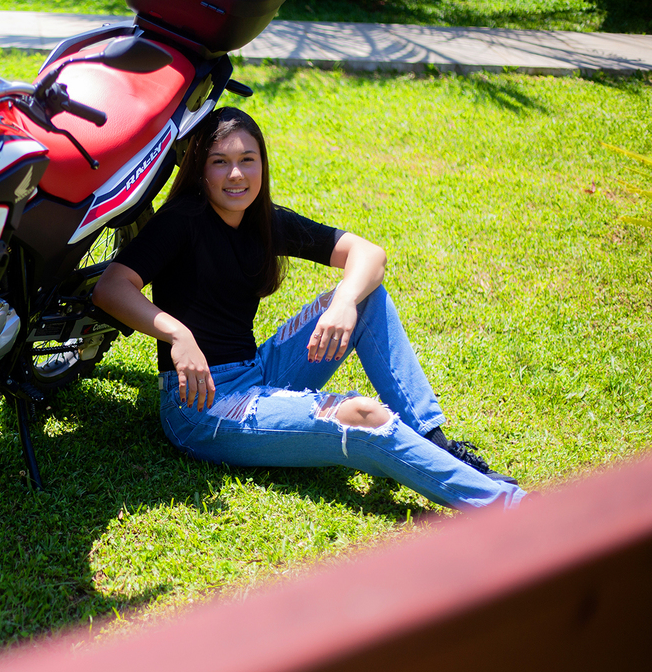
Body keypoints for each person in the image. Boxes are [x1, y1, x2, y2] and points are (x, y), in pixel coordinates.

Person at [92, 107, 526, 511]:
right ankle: (510, 508)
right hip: (201, 405)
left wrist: (342, 301)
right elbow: (112, 287)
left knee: (365, 296)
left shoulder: (262, 219)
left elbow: (368, 254)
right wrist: (176, 334)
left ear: (263, 164)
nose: (237, 174)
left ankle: (434, 440)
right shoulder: (182, 220)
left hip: (258, 370)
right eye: (219, 161)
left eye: (248, 159)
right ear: (200, 171)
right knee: (364, 419)